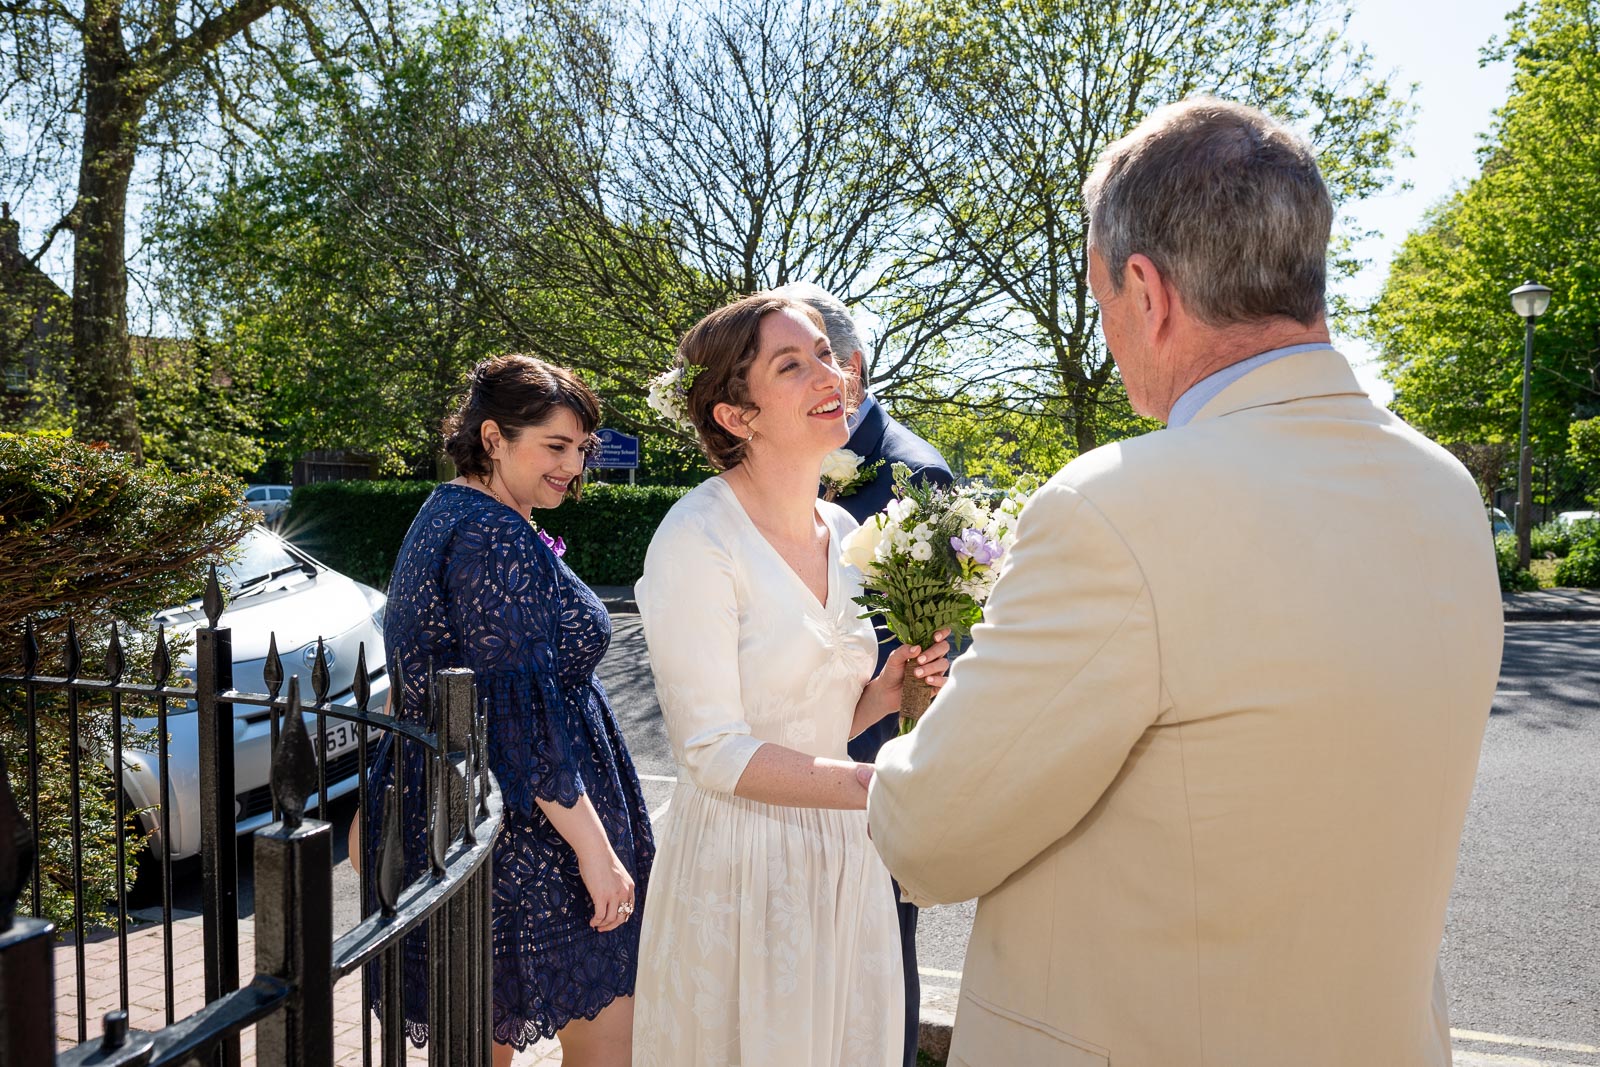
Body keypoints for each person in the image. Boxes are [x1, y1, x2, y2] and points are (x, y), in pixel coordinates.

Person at [864, 97, 1504, 1067]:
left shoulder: (1116, 509)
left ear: (1145, 289)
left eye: (1102, 301)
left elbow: (927, 835)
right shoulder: (1443, 490)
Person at [630, 293, 952, 1066]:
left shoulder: (844, 532)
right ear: (737, 416)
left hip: (846, 863)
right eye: (792, 364)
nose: (830, 374)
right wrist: (873, 786)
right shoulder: (695, 539)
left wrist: (889, 688)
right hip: (744, 870)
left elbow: (810, 717)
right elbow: (713, 748)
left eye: (826, 354)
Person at [361, 354, 655, 1067]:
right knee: (607, 1047)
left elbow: (418, 677)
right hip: (527, 843)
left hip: (462, 818)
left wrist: (373, 799)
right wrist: (596, 850)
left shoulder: (447, 510)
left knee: (475, 1040)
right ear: (493, 437)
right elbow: (522, 723)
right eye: (554, 446)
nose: (573, 466)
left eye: (581, 449)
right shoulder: (496, 538)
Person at [773, 280, 952, 1067]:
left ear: (851, 364)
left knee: (879, 960)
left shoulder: (916, 476)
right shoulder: (787, 459)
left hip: (865, 764)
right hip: (785, 758)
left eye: (812, 358)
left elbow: (927, 651)